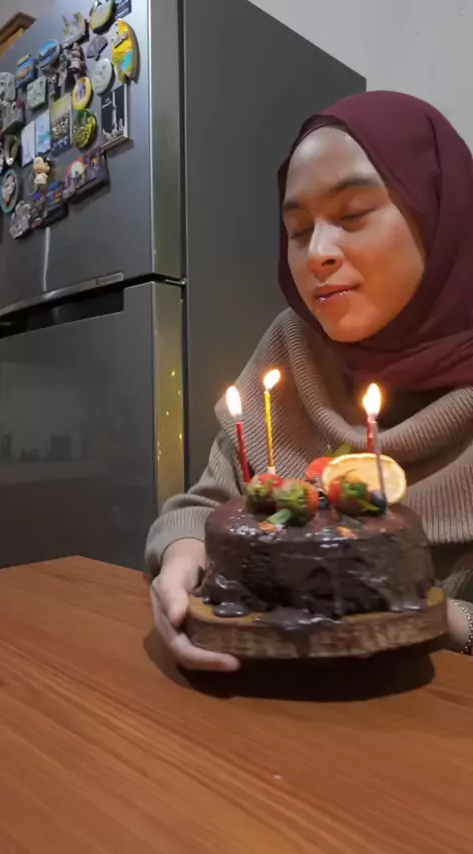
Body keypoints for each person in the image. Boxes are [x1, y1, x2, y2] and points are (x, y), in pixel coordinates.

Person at [146, 90, 473, 671]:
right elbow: (206, 505)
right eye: (298, 230)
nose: (317, 252)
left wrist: (436, 617)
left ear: (441, 215)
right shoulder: (293, 345)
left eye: (353, 215)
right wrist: (181, 556)